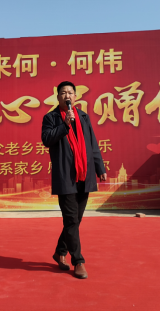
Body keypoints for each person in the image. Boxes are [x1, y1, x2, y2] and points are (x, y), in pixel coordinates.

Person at [41, 81, 107, 279]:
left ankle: (60, 252)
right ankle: (78, 261)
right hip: (65, 176)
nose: (67, 95)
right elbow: (47, 139)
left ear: (76, 97)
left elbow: (92, 144)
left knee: (75, 220)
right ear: (58, 97)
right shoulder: (51, 117)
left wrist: (100, 167)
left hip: (84, 174)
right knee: (71, 220)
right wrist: (65, 125)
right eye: (63, 93)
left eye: (70, 92)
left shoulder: (84, 117)